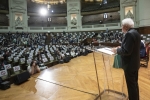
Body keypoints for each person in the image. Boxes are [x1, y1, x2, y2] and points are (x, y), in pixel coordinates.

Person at [112, 18, 140, 100]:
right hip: (135, 63)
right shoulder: (136, 32)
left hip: (129, 65)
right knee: (134, 84)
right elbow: (131, 47)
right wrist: (121, 47)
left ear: (126, 26)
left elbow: (126, 51)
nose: (121, 27)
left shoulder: (129, 34)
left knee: (131, 86)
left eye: (122, 26)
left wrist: (116, 50)